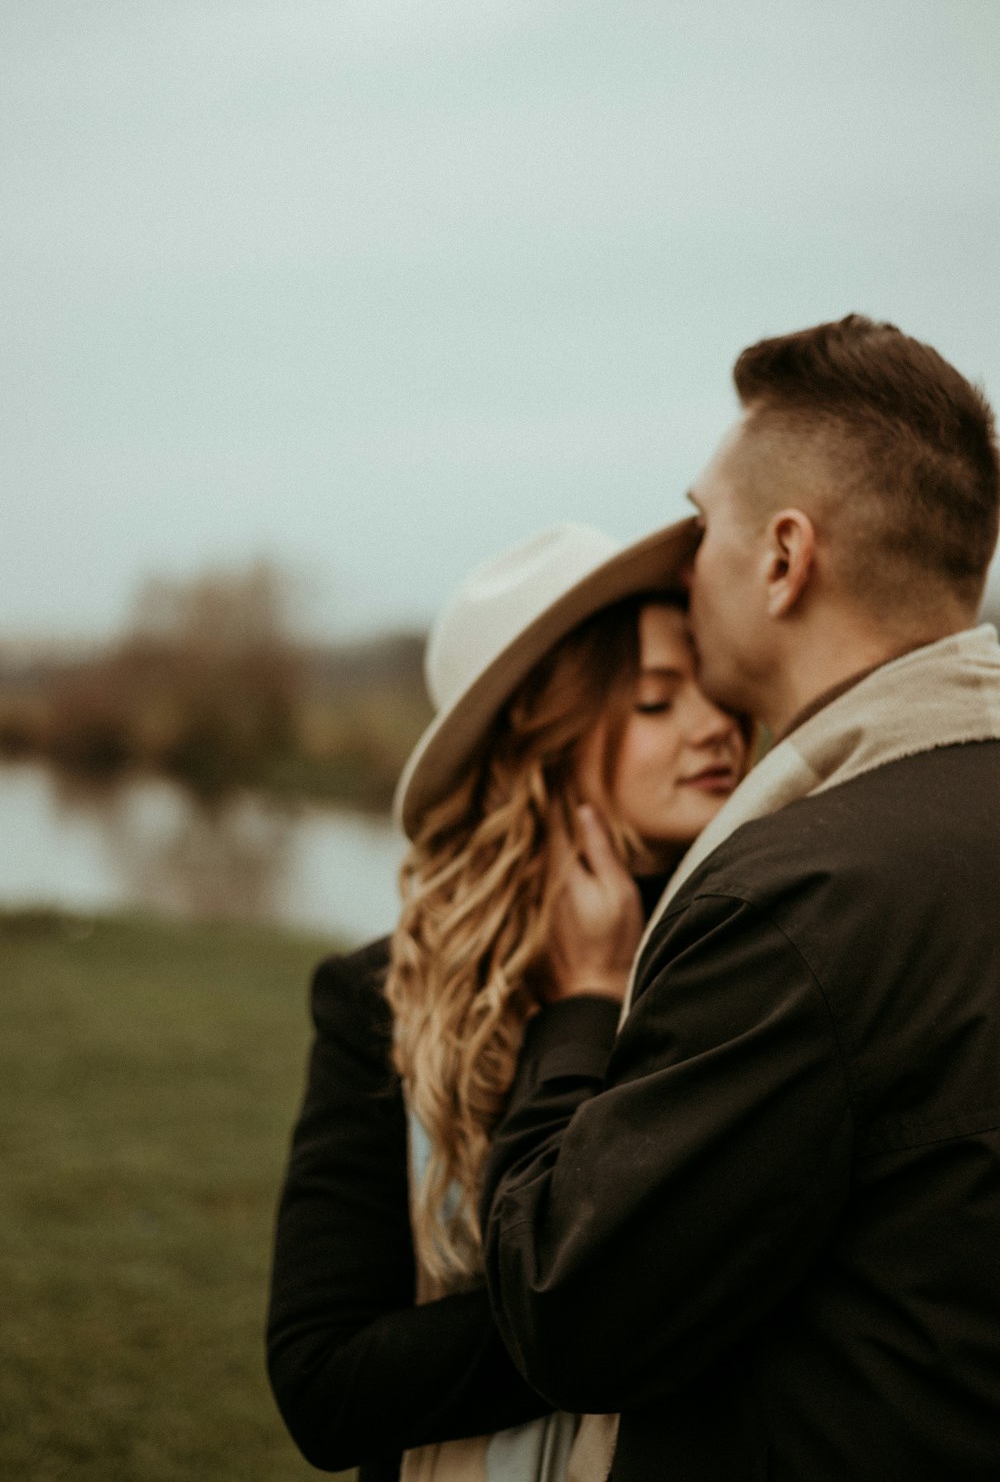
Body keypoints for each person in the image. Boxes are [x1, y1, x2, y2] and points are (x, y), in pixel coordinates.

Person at [480, 315, 1000, 1481]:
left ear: (781, 556)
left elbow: (568, 1312)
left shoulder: (794, 901)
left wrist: (580, 1009)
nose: (682, 561)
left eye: (700, 522)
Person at [266, 520, 750, 1482]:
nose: (717, 725)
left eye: (718, 686)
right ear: (545, 742)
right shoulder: (381, 999)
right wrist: (609, 1310)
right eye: (657, 700)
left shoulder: (743, 964)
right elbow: (326, 1385)